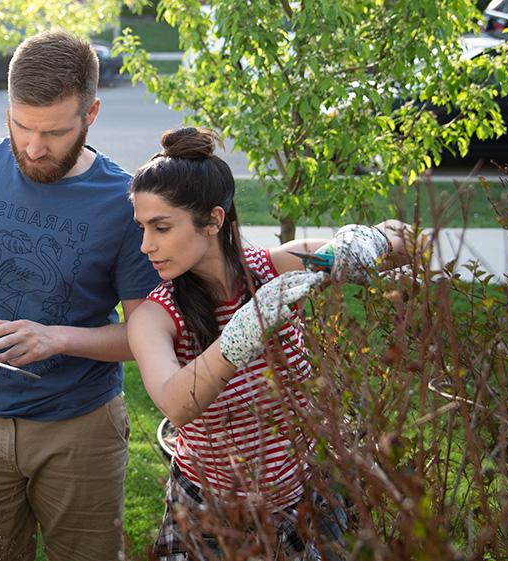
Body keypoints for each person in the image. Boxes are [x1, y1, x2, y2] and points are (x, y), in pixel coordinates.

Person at [0, 30, 160, 561]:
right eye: (21, 126)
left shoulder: (124, 199)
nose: (33, 147)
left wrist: (58, 338)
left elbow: (147, 335)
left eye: (53, 132)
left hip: (82, 426)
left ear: (91, 113)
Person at [126, 128, 412, 560]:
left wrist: (370, 242)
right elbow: (175, 403)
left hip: (298, 503)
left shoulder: (278, 268)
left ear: (214, 220)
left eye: (161, 227)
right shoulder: (156, 316)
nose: (147, 245)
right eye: (143, 228)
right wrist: (241, 334)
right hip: (210, 520)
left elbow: (410, 242)